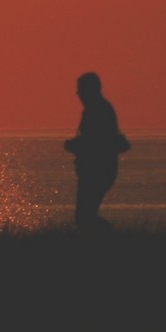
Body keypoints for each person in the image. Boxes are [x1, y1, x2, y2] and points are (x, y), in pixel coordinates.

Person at [64, 72, 130, 233]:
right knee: (85, 216)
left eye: (81, 90)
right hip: (97, 170)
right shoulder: (99, 109)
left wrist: (74, 145)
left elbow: (96, 142)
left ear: (91, 90)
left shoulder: (98, 110)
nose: (78, 94)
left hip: (97, 171)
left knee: (84, 217)